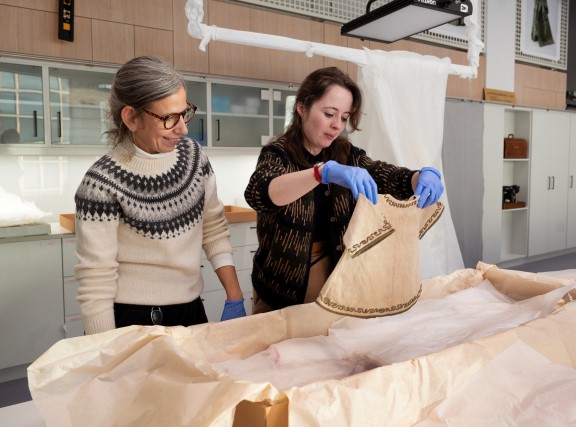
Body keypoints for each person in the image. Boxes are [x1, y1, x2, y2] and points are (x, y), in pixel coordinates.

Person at [244, 66, 444, 314]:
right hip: (281, 289)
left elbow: (387, 176)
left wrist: (420, 176)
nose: (337, 125)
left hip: (338, 280)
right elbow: (259, 193)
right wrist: (320, 173)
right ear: (302, 107)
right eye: (329, 114)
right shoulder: (278, 153)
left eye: (344, 117)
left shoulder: (346, 154)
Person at [74, 56, 246, 335]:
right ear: (131, 118)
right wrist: (104, 348)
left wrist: (235, 296)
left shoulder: (194, 159)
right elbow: (96, 279)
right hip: (132, 320)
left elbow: (212, 228)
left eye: (184, 112)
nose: (183, 128)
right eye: (168, 118)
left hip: (191, 310)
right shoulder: (101, 183)